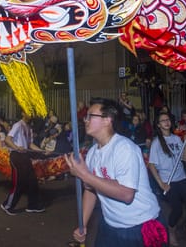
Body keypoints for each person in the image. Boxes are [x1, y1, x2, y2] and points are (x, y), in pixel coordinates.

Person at [65, 97, 168, 247]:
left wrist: (85, 175)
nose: (85, 120)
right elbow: (90, 190)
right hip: (110, 225)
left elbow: (126, 194)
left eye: (90, 116)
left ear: (107, 120)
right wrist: (83, 224)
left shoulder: (124, 149)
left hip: (140, 225)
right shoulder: (93, 153)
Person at [149, 112, 186, 247]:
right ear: (158, 125)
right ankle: (171, 231)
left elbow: (185, 158)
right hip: (168, 182)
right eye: (162, 121)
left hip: (182, 178)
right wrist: (161, 184)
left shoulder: (177, 139)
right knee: (177, 210)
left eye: (167, 119)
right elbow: (151, 165)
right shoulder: (156, 143)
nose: (166, 122)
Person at [0, 111, 46, 215]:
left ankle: (32, 205)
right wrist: (16, 147)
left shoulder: (29, 128)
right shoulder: (18, 125)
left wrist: (41, 151)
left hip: (25, 156)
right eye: (28, 112)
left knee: (32, 181)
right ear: (22, 113)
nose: (30, 114)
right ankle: (7, 206)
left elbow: (30, 144)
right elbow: (7, 140)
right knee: (19, 182)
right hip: (16, 156)